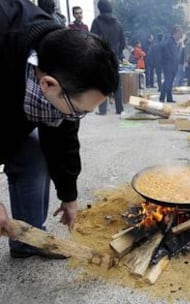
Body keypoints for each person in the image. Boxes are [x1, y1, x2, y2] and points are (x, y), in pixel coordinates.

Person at [0, 0, 118, 257]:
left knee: (33, 151)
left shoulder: (60, 55)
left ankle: (27, 240)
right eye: (80, 111)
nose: (78, 117)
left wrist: (69, 196)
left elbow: (63, 134)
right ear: (49, 85)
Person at [91, 0, 125, 115]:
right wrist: (117, 53)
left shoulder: (96, 22)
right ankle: (119, 109)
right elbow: (123, 42)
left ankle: (103, 110)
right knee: (116, 83)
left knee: (102, 83)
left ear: (100, 9)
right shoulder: (118, 23)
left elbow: (92, 40)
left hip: (101, 57)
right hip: (114, 56)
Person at [159, 25, 183, 103]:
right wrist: (170, 58)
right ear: (174, 33)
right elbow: (165, 52)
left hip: (173, 65)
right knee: (167, 81)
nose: (180, 36)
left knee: (170, 82)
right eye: (179, 34)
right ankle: (162, 98)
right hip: (168, 65)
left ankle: (169, 98)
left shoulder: (175, 42)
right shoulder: (168, 42)